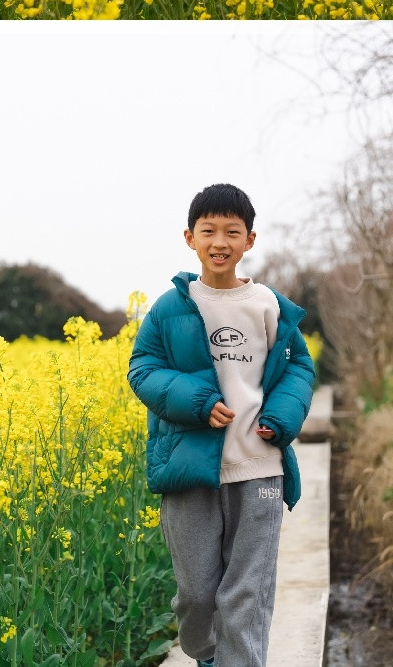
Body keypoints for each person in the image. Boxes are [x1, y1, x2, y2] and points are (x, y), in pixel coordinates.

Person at [127, 183, 315, 667]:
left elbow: (298, 369)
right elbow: (142, 369)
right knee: (196, 594)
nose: (220, 242)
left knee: (246, 593)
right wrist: (198, 401)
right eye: (209, 231)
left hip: (259, 467)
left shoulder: (269, 305)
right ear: (190, 237)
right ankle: (208, 656)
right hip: (191, 469)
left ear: (249, 240)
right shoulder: (171, 308)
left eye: (232, 232)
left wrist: (281, 417)